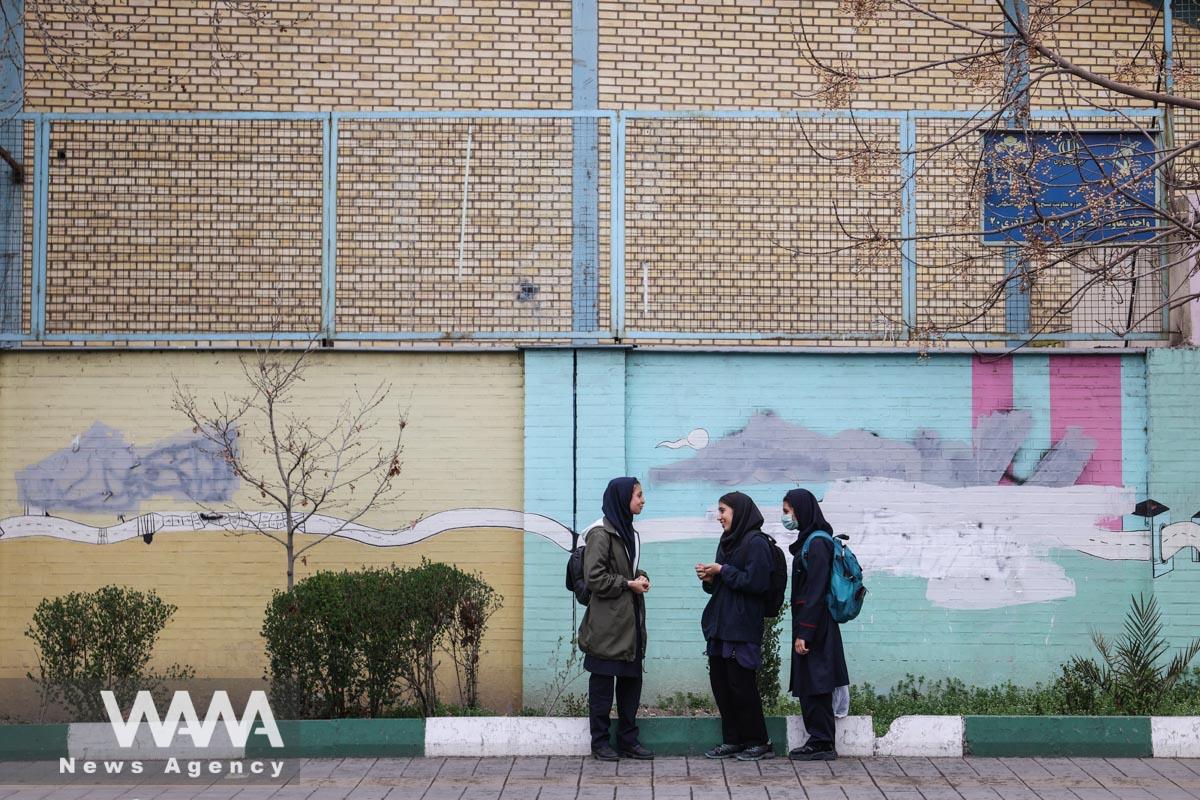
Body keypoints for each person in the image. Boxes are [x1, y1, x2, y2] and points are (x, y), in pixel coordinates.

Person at [577, 477, 655, 761]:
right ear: (623, 498)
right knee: (602, 686)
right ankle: (599, 743)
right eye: (638, 495)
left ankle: (627, 741)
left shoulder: (628, 532)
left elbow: (624, 568)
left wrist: (640, 576)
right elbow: (594, 578)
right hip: (606, 626)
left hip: (629, 624)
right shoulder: (601, 534)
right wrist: (628, 584)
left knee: (630, 685)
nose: (642, 499)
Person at [695, 491, 775, 762]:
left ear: (737, 513)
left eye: (723, 511)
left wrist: (722, 571)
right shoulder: (727, 541)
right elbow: (722, 585)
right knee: (721, 685)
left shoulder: (756, 543)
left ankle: (758, 741)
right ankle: (733, 740)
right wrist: (709, 578)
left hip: (741, 627)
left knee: (742, 686)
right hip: (721, 625)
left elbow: (757, 582)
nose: (719, 517)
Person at [783, 488, 849, 761]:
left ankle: (822, 742)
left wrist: (805, 632)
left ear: (802, 510)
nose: (786, 517)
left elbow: (816, 590)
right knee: (811, 681)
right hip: (812, 623)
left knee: (817, 682)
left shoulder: (818, 543)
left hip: (816, 625)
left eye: (788, 511)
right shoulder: (810, 540)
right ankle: (819, 739)